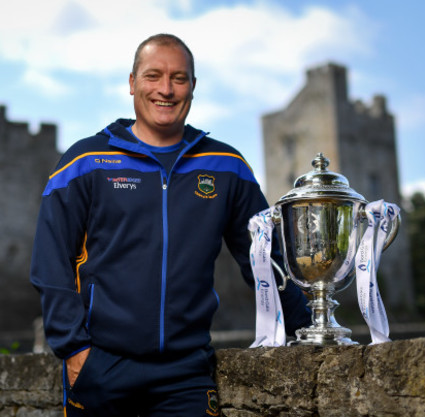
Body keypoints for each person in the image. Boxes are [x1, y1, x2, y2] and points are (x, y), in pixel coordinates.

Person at [30, 33, 311, 417]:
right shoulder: (84, 162)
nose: (166, 89)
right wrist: (74, 349)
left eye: (179, 78)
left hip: (186, 374)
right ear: (132, 83)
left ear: (192, 87)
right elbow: (49, 263)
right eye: (153, 76)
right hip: (102, 368)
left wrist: (311, 331)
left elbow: (265, 260)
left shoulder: (226, 166)